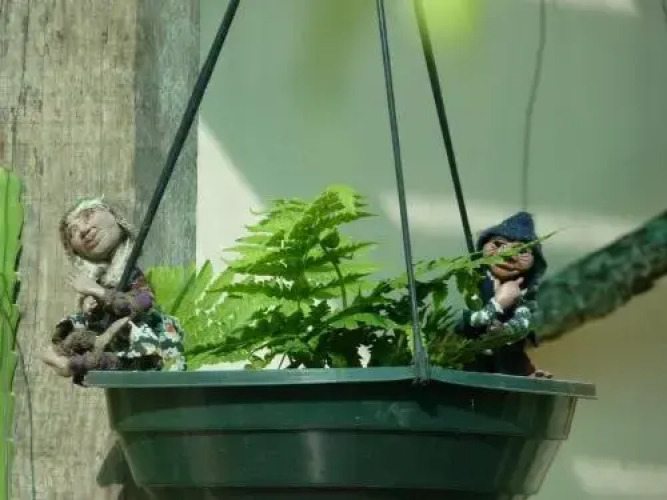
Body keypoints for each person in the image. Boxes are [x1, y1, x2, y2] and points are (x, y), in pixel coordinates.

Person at [40, 197, 186, 384]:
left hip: (136, 345)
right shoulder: (101, 278)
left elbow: (143, 302)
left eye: (88, 216)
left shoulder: (131, 273)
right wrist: (89, 306)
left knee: (107, 361)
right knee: (76, 330)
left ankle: (70, 365)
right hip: (108, 338)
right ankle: (63, 355)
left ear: (116, 218)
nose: (83, 230)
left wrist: (99, 292)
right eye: (73, 232)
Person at [456, 211, 552, 378]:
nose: (508, 255)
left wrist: (503, 332)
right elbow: (462, 324)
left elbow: (521, 326)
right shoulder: (471, 284)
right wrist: (497, 303)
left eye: (521, 250)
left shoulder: (524, 296)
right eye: (498, 244)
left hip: (505, 368)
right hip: (470, 366)